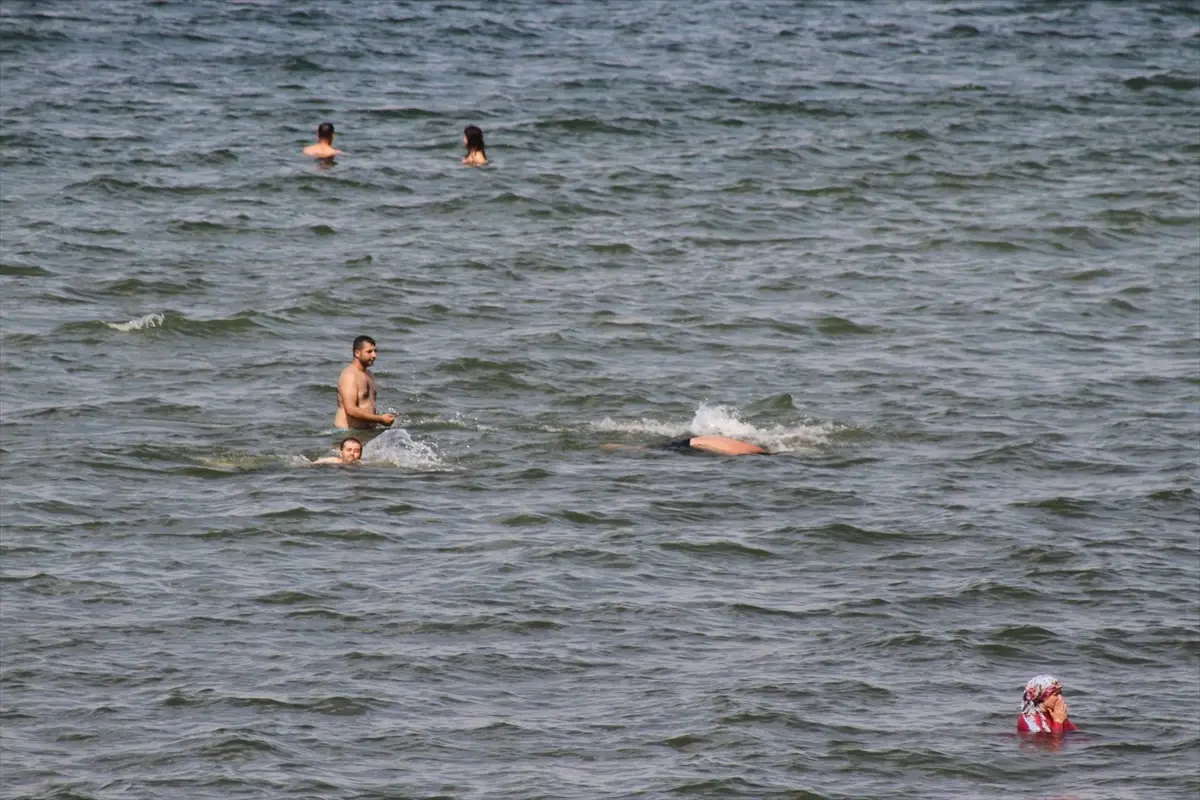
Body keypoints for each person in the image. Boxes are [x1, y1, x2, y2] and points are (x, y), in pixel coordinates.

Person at [335, 335, 395, 430]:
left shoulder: (369, 375)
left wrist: (384, 418)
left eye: (375, 351)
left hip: (365, 433)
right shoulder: (350, 375)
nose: (374, 355)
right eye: (369, 352)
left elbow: (366, 405)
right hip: (348, 435)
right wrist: (380, 419)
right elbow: (350, 409)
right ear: (357, 353)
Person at [603, 435, 769, 456]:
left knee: (647, 448)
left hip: (696, 441)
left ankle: (613, 446)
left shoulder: (758, 452)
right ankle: (613, 446)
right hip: (694, 445)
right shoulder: (759, 454)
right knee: (644, 449)